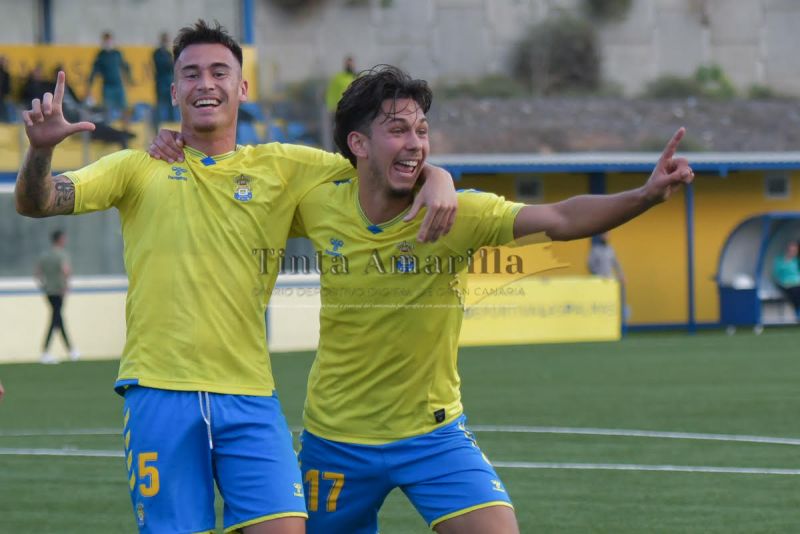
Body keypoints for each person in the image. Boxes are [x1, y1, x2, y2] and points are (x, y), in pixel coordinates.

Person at [154, 65, 693, 533]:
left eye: (422, 131)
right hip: (335, 439)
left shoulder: (459, 212)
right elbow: (231, 191)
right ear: (358, 145)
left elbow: (561, 218)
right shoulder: (319, 201)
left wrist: (645, 195)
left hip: (433, 434)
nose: (415, 142)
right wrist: (179, 147)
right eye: (397, 130)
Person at [16, 21, 455, 534]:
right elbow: (38, 201)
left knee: (288, 526)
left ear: (243, 88)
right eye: (192, 74)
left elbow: (380, 159)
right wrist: (41, 151)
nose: (207, 83)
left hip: (249, 396)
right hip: (159, 392)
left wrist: (437, 176)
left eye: (220, 71)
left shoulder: (285, 166)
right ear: (174, 89)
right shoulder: (135, 168)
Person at [36, 229, 80, 364]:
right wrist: (66, 286)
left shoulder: (45, 255)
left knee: (57, 319)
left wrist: (44, 286)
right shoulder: (62, 255)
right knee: (56, 319)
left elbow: (37, 273)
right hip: (59, 291)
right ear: (60, 239)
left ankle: (70, 350)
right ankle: (47, 352)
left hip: (49, 291)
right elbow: (66, 271)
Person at [87, 31, 132, 123]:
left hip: (118, 85)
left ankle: (126, 130)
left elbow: (125, 66)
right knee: (107, 109)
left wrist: (130, 78)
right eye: (106, 40)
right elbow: (94, 71)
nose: (108, 43)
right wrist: (89, 86)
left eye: (109, 40)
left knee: (124, 108)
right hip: (107, 86)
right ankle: (108, 129)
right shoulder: (101, 55)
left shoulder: (117, 53)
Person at [588, 231, 629, 322]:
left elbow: (616, 264)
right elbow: (591, 265)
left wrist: (622, 275)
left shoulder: (610, 249)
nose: (607, 236)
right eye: (605, 234)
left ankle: (618, 322)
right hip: (599, 283)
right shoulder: (595, 250)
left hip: (610, 281)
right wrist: (599, 277)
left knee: (613, 304)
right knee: (600, 304)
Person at [322, 56, 356, 150]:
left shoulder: (357, 76)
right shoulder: (338, 78)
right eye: (348, 63)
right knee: (339, 132)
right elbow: (331, 93)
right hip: (340, 110)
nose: (350, 65)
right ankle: (339, 151)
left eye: (351, 63)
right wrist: (332, 108)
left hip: (354, 110)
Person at [152, 32, 177, 130]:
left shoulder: (168, 53)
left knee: (172, 105)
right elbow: (162, 66)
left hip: (169, 82)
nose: (166, 42)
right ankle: (158, 126)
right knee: (160, 105)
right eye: (164, 40)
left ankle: (172, 126)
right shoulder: (157, 53)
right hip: (161, 83)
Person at [772, 240, 800, 319]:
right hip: (784, 284)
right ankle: (798, 311)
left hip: (796, 284)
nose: (793, 252)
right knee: (796, 291)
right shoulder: (780, 260)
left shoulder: (797, 261)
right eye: (791, 250)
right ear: (787, 250)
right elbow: (776, 274)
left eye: (795, 250)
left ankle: (798, 310)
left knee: (796, 290)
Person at [0, 56, 11, 122]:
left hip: (2, 96)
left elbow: (7, 87)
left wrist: (6, 94)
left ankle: (5, 122)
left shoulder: (6, 74)